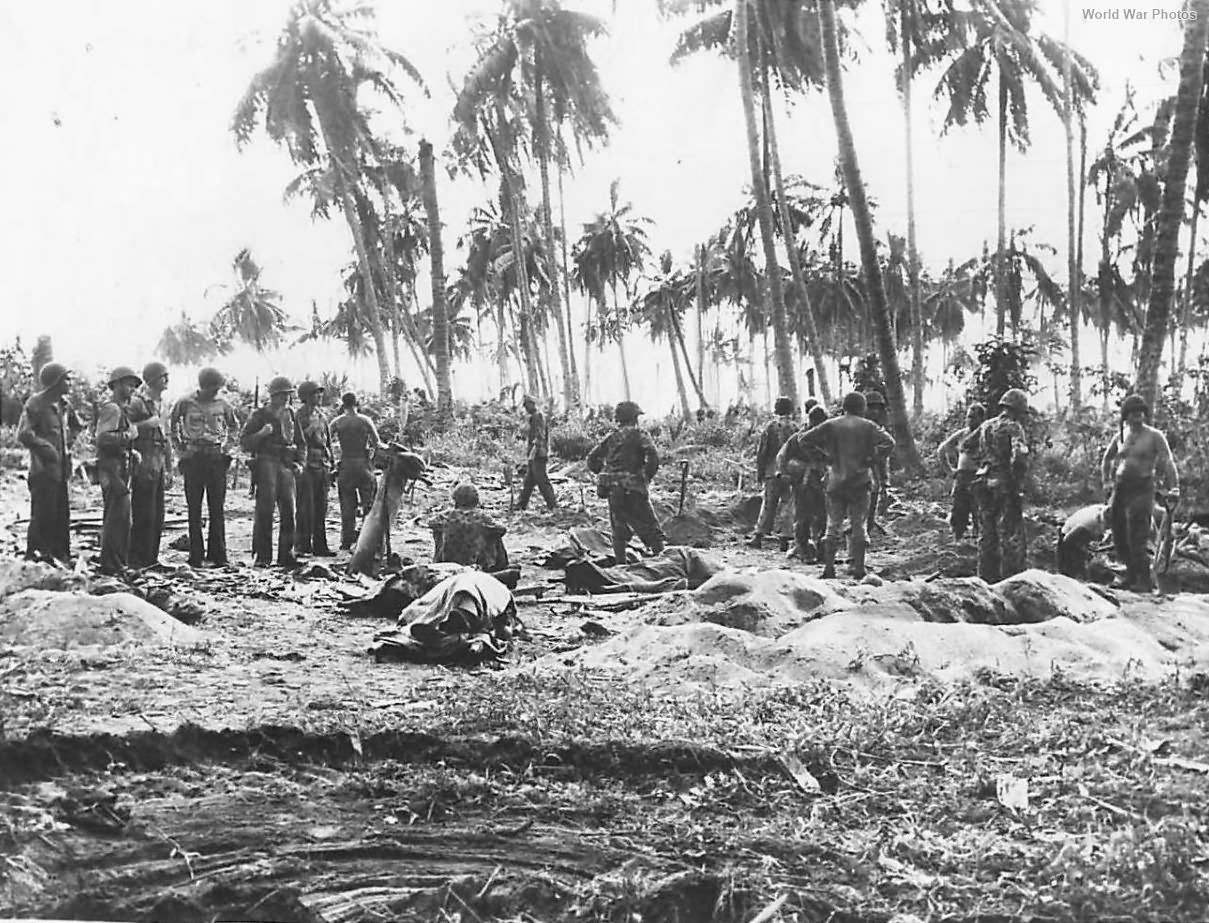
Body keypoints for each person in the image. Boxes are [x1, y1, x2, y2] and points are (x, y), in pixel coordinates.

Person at [793, 391, 895, 579]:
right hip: (861, 480)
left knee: (833, 525)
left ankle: (829, 568)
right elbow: (889, 443)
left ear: (844, 407)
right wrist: (872, 458)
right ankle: (859, 568)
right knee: (859, 525)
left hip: (835, 480)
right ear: (862, 407)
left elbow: (803, 439)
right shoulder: (869, 426)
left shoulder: (831, 424)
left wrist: (823, 456)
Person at [1100, 393, 1179, 591]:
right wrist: (1107, 483)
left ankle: (1144, 580)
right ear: (1126, 416)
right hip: (1121, 487)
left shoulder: (1154, 436)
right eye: (1133, 414)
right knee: (1119, 534)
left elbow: (1167, 461)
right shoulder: (1121, 435)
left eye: (1141, 413)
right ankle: (1131, 574)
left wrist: (1174, 487)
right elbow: (1107, 458)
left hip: (1143, 487)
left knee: (1138, 533)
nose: (1138, 417)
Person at [171, 367, 240, 568]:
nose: (215, 392)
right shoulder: (185, 403)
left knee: (217, 508)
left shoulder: (223, 404)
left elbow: (234, 427)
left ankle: (218, 555)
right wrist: (180, 451)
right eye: (212, 388)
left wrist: (227, 449)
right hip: (194, 458)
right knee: (194, 508)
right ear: (203, 386)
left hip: (216, 457)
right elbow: (172, 426)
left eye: (217, 388)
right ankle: (196, 556)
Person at [962, 388, 1031, 583]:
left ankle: (985, 578)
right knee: (1010, 534)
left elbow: (966, 444)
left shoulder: (985, 425)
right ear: (1018, 409)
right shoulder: (1014, 427)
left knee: (986, 532)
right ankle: (1012, 580)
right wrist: (1017, 483)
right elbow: (1019, 457)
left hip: (983, 481)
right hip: (1003, 483)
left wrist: (984, 462)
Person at [17, 362, 82, 563]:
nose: (69, 383)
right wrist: (47, 448)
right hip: (42, 469)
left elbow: (77, 426)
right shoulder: (36, 403)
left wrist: (68, 446)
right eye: (66, 379)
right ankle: (38, 555)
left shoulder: (64, 405)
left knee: (61, 512)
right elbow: (24, 433)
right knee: (43, 513)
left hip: (62, 469)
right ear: (54, 382)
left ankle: (60, 554)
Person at [587, 401, 665, 565]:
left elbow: (592, 459)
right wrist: (645, 478)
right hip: (633, 487)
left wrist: (606, 473)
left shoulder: (611, 437)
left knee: (618, 526)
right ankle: (663, 562)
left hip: (612, 488)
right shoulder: (639, 434)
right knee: (650, 525)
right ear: (634, 417)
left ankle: (621, 565)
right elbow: (653, 457)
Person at [240, 376, 303, 567]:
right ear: (273, 395)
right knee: (265, 510)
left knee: (289, 511)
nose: (285, 398)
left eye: (288, 394)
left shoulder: (291, 414)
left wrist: (300, 461)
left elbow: (300, 442)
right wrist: (261, 434)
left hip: (286, 463)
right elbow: (245, 442)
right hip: (267, 461)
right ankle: (262, 556)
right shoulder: (259, 415)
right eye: (282, 394)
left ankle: (287, 555)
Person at [94, 367, 143, 576]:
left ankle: (117, 564)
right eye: (129, 384)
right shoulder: (112, 409)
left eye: (134, 385)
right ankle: (111, 565)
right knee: (116, 517)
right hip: (111, 469)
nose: (132, 389)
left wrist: (133, 452)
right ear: (117, 385)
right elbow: (103, 438)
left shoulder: (122, 410)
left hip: (119, 467)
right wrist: (128, 436)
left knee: (122, 518)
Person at [127, 361, 173, 568]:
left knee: (157, 514)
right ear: (153, 379)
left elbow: (167, 437)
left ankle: (152, 558)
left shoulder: (162, 404)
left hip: (158, 460)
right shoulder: (137, 402)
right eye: (163, 376)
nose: (167, 380)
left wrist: (170, 468)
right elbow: (127, 429)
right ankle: (138, 559)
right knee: (143, 512)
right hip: (143, 459)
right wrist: (148, 424)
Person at [330, 392, 384, 551]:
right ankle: (369, 540)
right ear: (356, 403)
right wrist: (372, 461)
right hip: (363, 465)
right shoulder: (365, 421)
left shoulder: (337, 422)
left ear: (343, 404)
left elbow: (326, 443)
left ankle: (346, 541)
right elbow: (377, 444)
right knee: (369, 505)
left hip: (346, 465)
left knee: (347, 506)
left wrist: (334, 463)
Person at [778, 404, 829, 561]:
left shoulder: (827, 438)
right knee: (803, 518)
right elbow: (782, 457)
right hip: (803, 483)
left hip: (822, 483)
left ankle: (821, 552)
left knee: (823, 518)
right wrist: (785, 473)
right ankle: (804, 551)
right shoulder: (798, 438)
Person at [747, 397, 797, 549]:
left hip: (772, 471)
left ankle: (759, 536)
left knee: (769, 504)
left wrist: (760, 472)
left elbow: (763, 451)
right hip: (790, 472)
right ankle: (785, 539)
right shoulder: (796, 428)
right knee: (788, 504)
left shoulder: (771, 427)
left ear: (777, 410)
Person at [294, 380, 334, 557]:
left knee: (321, 507)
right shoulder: (299, 416)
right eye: (315, 394)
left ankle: (320, 545)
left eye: (320, 393)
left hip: (322, 464)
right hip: (307, 465)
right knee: (305, 507)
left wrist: (332, 461)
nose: (319, 396)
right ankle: (302, 545)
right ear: (306, 397)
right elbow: (297, 441)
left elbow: (328, 440)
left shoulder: (322, 415)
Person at [936, 403, 987, 542]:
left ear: (981, 418)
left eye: (973, 417)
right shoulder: (962, 434)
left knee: (979, 512)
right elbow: (942, 450)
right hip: (962, 477)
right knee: (959, 511)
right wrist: (950, 470)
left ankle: (978, 541)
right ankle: (957, 540)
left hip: (978, 477)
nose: (969, 420)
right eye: (968, 417)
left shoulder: (985, 434)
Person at [430, 483, 509, 571]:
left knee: (439, 531)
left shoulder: (445, 516)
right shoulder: (482, 517)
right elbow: (502, 529)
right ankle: (499, 567)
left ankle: (438, 561)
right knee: (494, 534)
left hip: (448, 564)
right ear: (475, 500)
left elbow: (431, 523)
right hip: (477, 564)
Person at [515, 394, 557, 511]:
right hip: (536, 454)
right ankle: (521, 505)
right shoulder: (535, 416)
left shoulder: (537, 416)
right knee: (528, 482)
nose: (526, 408)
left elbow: (540, 436)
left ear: (532, 404)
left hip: (538, 454)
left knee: (542, 481)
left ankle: (553, 505)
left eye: (527, 405)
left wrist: (533, 453)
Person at [863, 390, 890, 535]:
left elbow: (885, 457)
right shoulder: (857, 426)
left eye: (877, 408)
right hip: (852, 468)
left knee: (873, 496)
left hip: (873, 469)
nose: (874, 412)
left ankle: (869, 525)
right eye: (871, 407)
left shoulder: (880, 430)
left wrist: (885, 481)